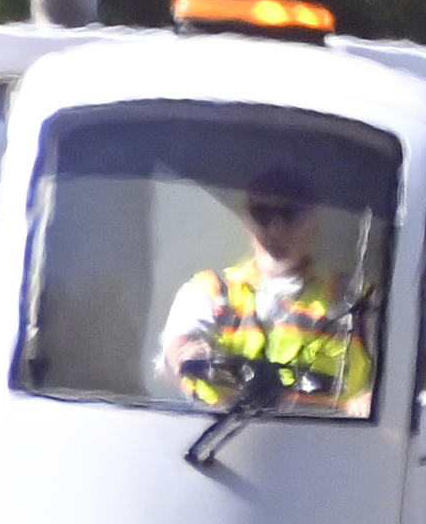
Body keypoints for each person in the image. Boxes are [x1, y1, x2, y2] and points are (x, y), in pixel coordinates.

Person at [159, 165, 378, 413]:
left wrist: (377, 400)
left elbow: (418, 371)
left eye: (290, 214)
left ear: (313, 222)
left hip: (327, 445)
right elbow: (176, 352)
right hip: (219, 444)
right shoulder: (208, 293)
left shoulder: (357, 300)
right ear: (247, 219)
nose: (275, 230)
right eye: (263, 214)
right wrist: (187, 354)